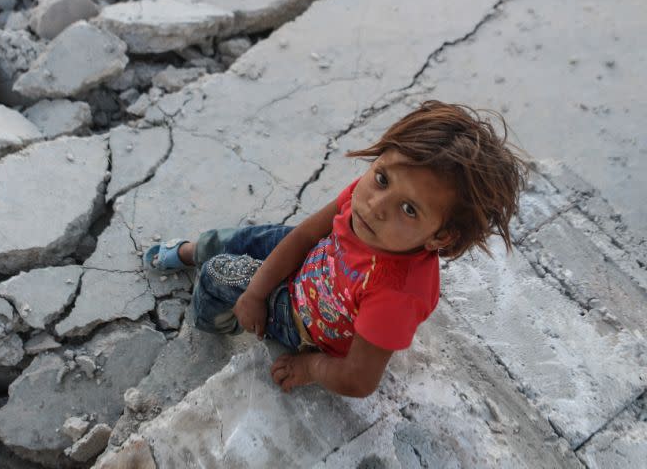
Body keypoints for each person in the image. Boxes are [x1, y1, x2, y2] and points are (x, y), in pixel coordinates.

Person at [144, 101, 529, 398]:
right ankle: (197, 250)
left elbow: (359, 379)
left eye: (409, 209)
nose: (376, 206)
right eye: (382, 177)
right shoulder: (367, 203)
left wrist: (309, 368)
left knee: (218, 274)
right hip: (315, 261)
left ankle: (217, 321)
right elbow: (303, 235)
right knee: (240, 240)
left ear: (439, 238)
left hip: (303, 318)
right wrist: (257, 291)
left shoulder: (395, 292)